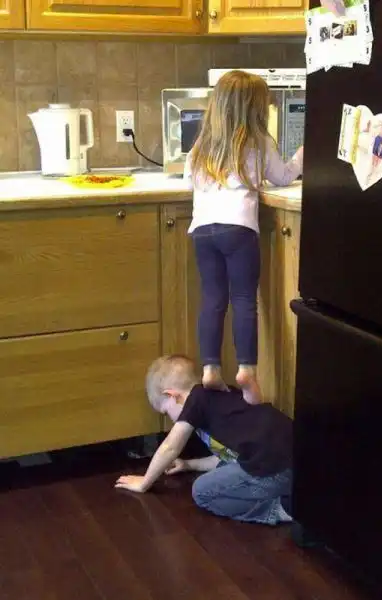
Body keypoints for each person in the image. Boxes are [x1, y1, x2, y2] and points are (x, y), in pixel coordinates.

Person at [184, 70, 304, 405]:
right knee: (243, 300)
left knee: (212, 298)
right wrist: (302, 156)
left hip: (203, 230)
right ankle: (247, 369)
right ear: (256, 109)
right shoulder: (259, 142)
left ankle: (210, 368)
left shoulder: (200, 146)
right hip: (238, 228)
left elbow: (188, 181)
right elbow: (282, 177)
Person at [115, 355, 293, 526]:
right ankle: (294, 495)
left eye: (166, 412)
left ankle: (282, 510)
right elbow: (229, 457)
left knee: (202, 491)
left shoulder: (196, 399)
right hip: (293, 459)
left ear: (173, 396)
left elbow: (170, 447)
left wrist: (144, 482)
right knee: (228, 470)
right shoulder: (221, 400)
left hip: (273, 469)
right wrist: (188, 465)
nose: (172, 421)